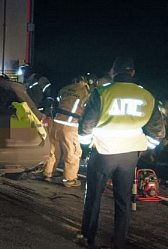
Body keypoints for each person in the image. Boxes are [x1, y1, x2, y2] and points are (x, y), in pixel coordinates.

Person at [76, 57, 165, 249]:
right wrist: (143, 148)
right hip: (129, 155)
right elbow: (158, 132)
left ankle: (88, 237)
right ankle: (119, 241)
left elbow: (86, 126)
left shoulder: (102, 93)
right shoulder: (147, 96)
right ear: (132, 73)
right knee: (123, 199)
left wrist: (85, 146)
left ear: (112, 72)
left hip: (103, 152)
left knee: (93, 195)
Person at [43, 75, 93, 187]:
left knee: (54, 150)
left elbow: (57, 103)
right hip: (71, 125)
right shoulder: (86, 92)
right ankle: (70, 180)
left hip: (56, 123)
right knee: (72, 153)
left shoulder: (65, 89)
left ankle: (48, 173)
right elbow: (88, 110)